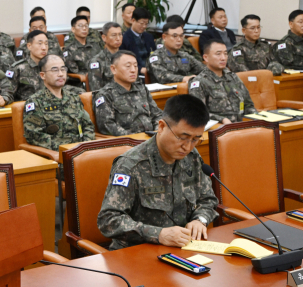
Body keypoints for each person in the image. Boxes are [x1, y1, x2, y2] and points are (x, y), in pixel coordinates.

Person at [97, 94, 218, 250]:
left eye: (195, 139)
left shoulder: (192, 157)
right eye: (183, 137)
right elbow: (109, 220)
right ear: (161, 127)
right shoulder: (130, 166)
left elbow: (207, 199)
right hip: (137, 253)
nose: (187, 147)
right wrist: (158, 234)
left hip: (183, 249)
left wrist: (200, 220)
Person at [23, 54, 95, 151]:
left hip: (82, 152)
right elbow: (34, 135)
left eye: (63, 69)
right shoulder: (35, 102)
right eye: (55, 70)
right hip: (56, 154)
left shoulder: (74, 98)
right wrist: (67, 149)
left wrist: (85, 146)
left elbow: (88, 126)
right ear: (42, 75)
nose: (61, 74)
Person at [94, 50, 163, 136]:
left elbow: (157, 114)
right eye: (128, 66)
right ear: (113, 69)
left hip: (151, 138)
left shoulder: (142, 89)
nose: (133, 70)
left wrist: (157, 132)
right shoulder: (105, 95)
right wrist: (133, 138)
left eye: (135, 66)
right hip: (128, 142)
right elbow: (107, 126)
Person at [189, 39, 256, 124]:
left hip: (242, 124)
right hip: (220, 128)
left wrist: (256, 117)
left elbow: (248, 104)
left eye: (225, 53)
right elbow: (198, 113)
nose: (223, 58)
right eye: (218, 54)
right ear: (206, 57)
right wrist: (221, 119)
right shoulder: (199, 82)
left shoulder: (233, 77)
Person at [120, 7, 156, 76]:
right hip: (134, 74)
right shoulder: (124, 38)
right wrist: (139, 69)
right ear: (133, 20)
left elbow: (155, 55)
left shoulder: (149, 37)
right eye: (141, 23)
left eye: (146, 24)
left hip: (151, 72)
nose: (144, 26)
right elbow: (123, 61)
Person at [88, 22, 123, 91]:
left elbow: (136, 83)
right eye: (114, 35)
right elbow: (96, 90)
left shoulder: (125, 58)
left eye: (120, 34)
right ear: (104, 38)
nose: (118, 38)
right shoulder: (97, 61)